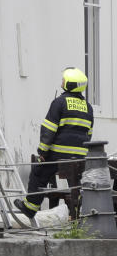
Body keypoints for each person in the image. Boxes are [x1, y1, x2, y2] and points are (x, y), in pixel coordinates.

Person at [13, 67, 94, 219]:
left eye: (64, 80)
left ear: (70, 84)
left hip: (58, 153)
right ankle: (79, 214)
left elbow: (48, 130)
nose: (62, 82)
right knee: (76, 184)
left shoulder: (59, 102)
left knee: (39, 172)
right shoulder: (88, 107)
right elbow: (89, 133)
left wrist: (42, 152)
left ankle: (30, 207)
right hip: (80, 156)